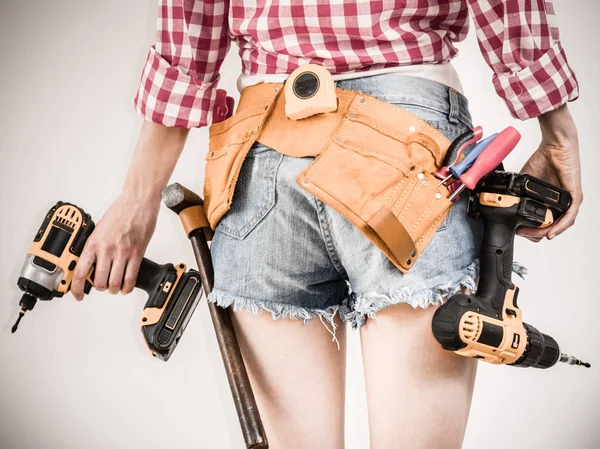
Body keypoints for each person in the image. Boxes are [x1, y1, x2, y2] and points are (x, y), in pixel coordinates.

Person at [71, 1, 582, 448]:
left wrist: (137, 198)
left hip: (262, 152)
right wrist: (556, 131)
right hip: (407, 143)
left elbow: (189, 29)